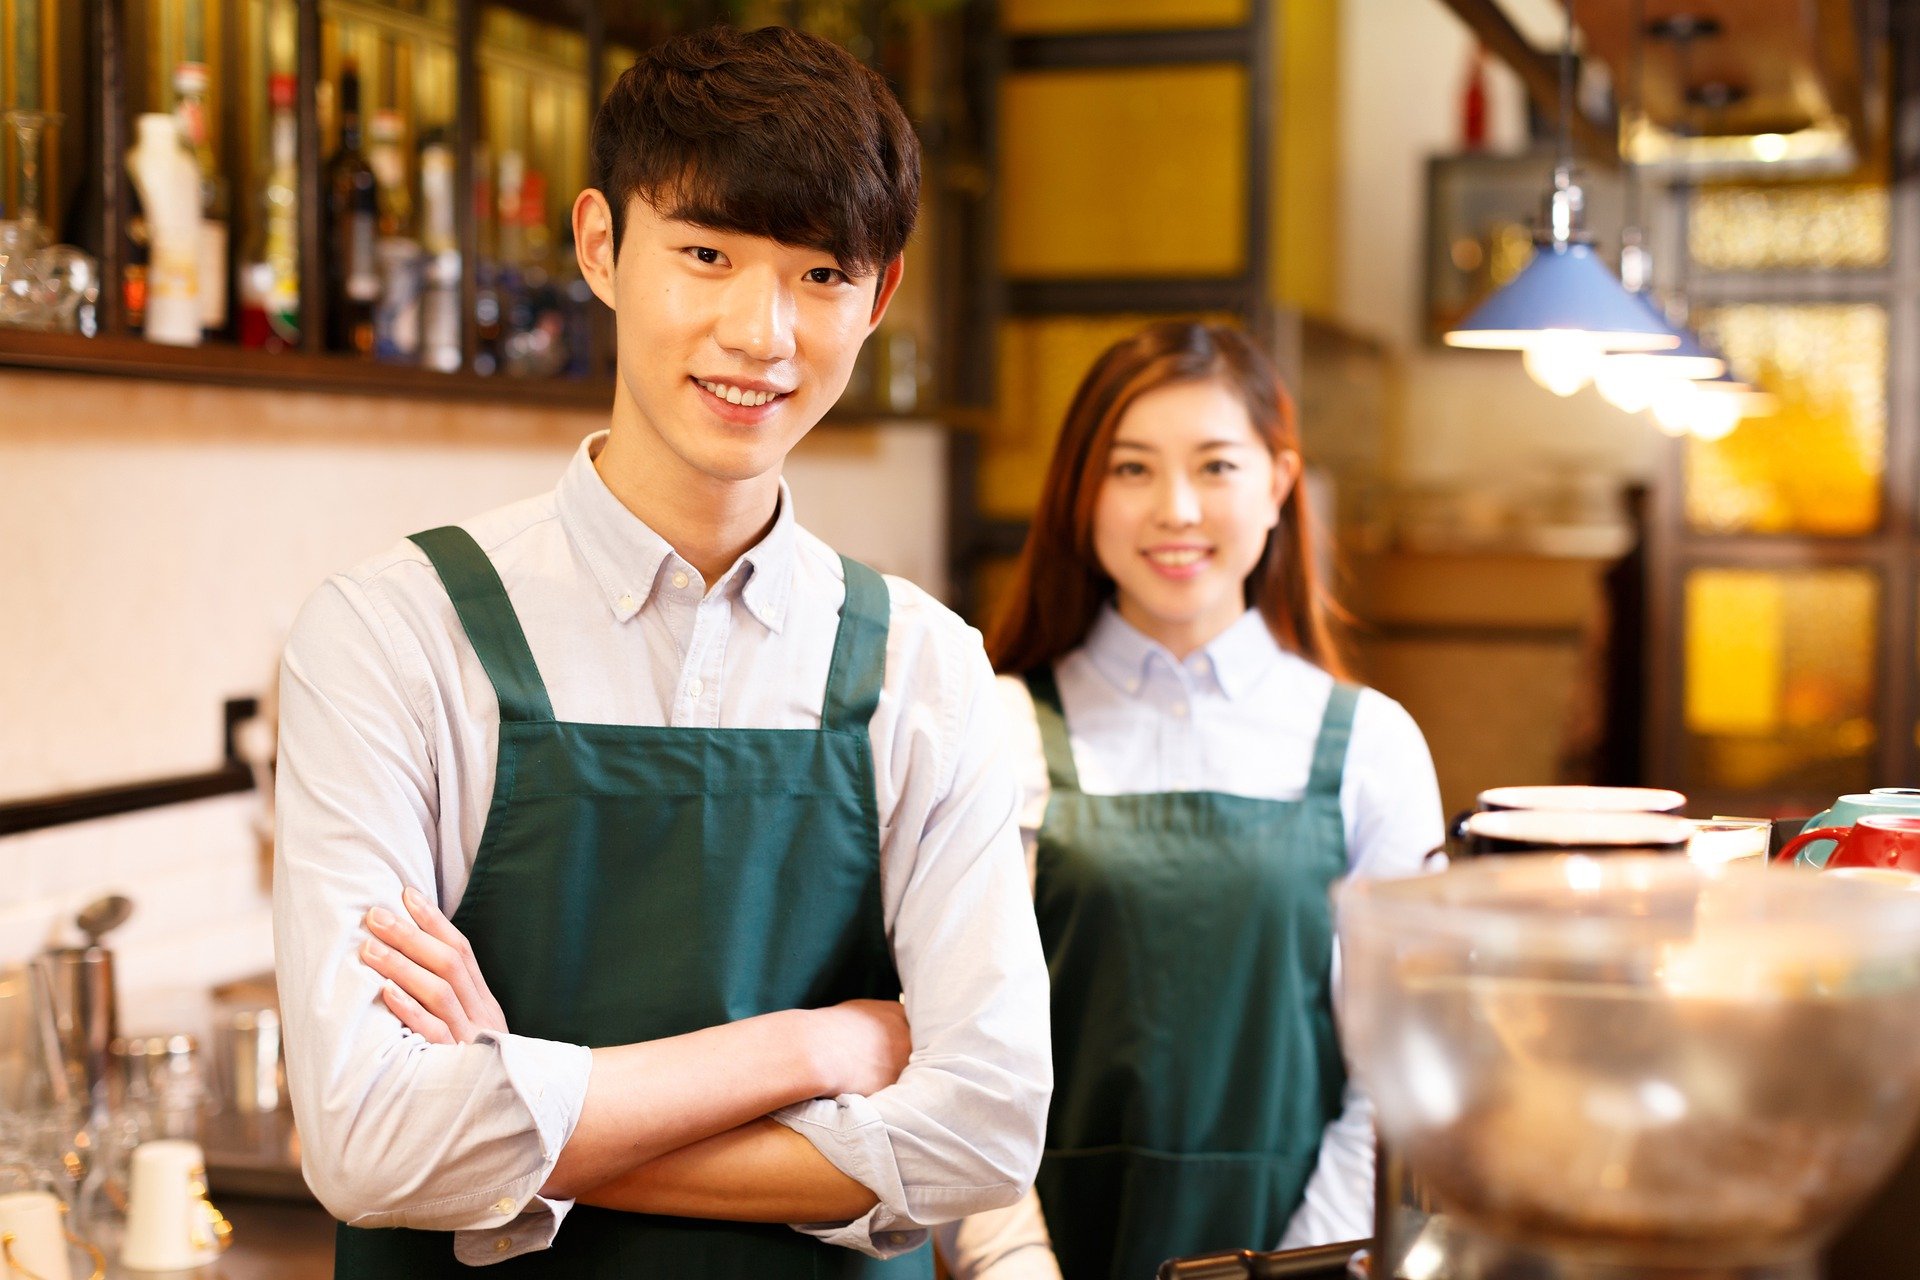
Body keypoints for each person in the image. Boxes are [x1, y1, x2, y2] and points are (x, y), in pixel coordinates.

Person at [271, 26, 1050, 1279]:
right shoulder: (391, 634)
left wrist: (520, 1107)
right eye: (705, 254)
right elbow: (366, 1143)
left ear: (880, 296)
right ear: (599, 246)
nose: (763, 334)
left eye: (818, 275)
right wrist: (809, 1050)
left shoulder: (928, 668)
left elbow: (989, 1133)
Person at [935, 322, 1443, 1280]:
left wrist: (1296, 1272)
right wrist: (1017, 1266)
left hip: (1303, 1257)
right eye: (1131, 470)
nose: (1174, 509)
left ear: (1280, 485)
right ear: (1083, 492)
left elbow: (1400, 1074)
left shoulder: (1371, 745)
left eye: (1215, 467)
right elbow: (954, 1054)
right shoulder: (992, 729)